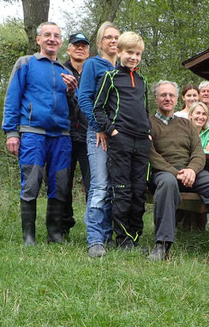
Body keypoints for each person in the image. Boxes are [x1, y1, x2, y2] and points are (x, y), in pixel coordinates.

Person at [147, 81, 209, 265]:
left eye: (171, 95)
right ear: (156, 98)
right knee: (167, 183)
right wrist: (176, 173)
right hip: (165, 172)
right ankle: (162, 245)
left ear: (176, 99)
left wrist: (191, 169)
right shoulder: (149, 123)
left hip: (191, 171)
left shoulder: (186, 124)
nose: (167, 98)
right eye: (163, 95)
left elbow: (198, 152)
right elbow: (151, 154)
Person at [2, 21, 76, 246]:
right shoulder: (25, 64)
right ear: (38, 39)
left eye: (56, 35)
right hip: (33, 133)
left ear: (61, 42)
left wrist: (72, 92)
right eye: (47, 35)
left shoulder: (66, 72)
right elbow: (12, 98)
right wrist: (11, 132)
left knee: (61, 183)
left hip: (62, 135)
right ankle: (29, 237)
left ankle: (54, 234)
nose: (52, 39)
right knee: (31, 181)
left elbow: (73, 109)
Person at [93, 31, 151, 250]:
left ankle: (135, 238)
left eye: (137, 53)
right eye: (129, 52)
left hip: (142, 142)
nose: (133, 57)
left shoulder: (143, 81)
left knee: (139, 191)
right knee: (122, 190)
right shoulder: (110, 77)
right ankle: (123, 239)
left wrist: (149, 132)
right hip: (121, 141)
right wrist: (112, 131)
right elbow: (98, 108)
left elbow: (145, 110)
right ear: (119, 51)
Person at [77, 21, 120, 258]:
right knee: (100, 184)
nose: (113, 41)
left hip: (119, 136)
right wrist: (98, 126)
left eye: (116, 37)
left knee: (115, 186)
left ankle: (108, 234)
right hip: (98, 134)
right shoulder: (93, 64)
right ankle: (94, 239)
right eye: (108, 37)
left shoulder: (124, 67)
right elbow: (84, 98)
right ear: (100, 42)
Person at [62, 32, 91, 239]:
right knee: (63, 182)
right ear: (69, 49)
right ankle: (63, 226)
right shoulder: (59, 70)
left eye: (83, 46)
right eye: (76, 45)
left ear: (89, 51)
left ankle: (95, 228)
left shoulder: (93, 71)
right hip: (65, 134)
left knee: (93, 183)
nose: (80, 48)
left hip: (89, 135)